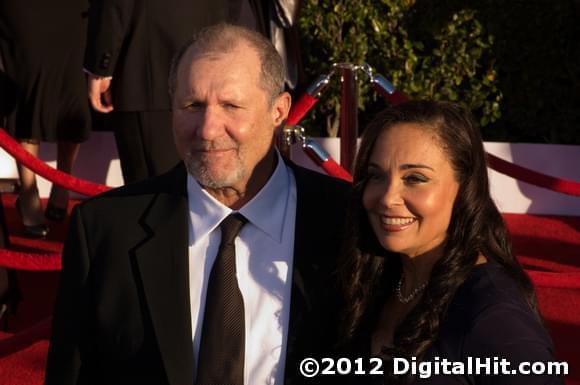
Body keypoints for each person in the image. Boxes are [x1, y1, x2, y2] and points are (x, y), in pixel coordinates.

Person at [45, 23, 350, 385]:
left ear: (279, 110)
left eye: (231, 105)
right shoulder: (104, 230)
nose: (207, 128)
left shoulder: (347, 222)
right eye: (192, 105)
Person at [337, 100, 563, 384]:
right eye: (375, 175)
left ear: (464, 187)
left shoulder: (491, 314)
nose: (387, 197)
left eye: (415, 178)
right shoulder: (382, 276)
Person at [84, 0, 296, 184]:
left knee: (151, 196)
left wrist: (102, 66)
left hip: (149, 69)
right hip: (216, 62)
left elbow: (114, 6)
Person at [0, 0, 91, 237]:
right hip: (25, 11)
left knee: (72, 92)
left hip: (71, 10)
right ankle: (28, 193)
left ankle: (62, 184)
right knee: (30, 92)